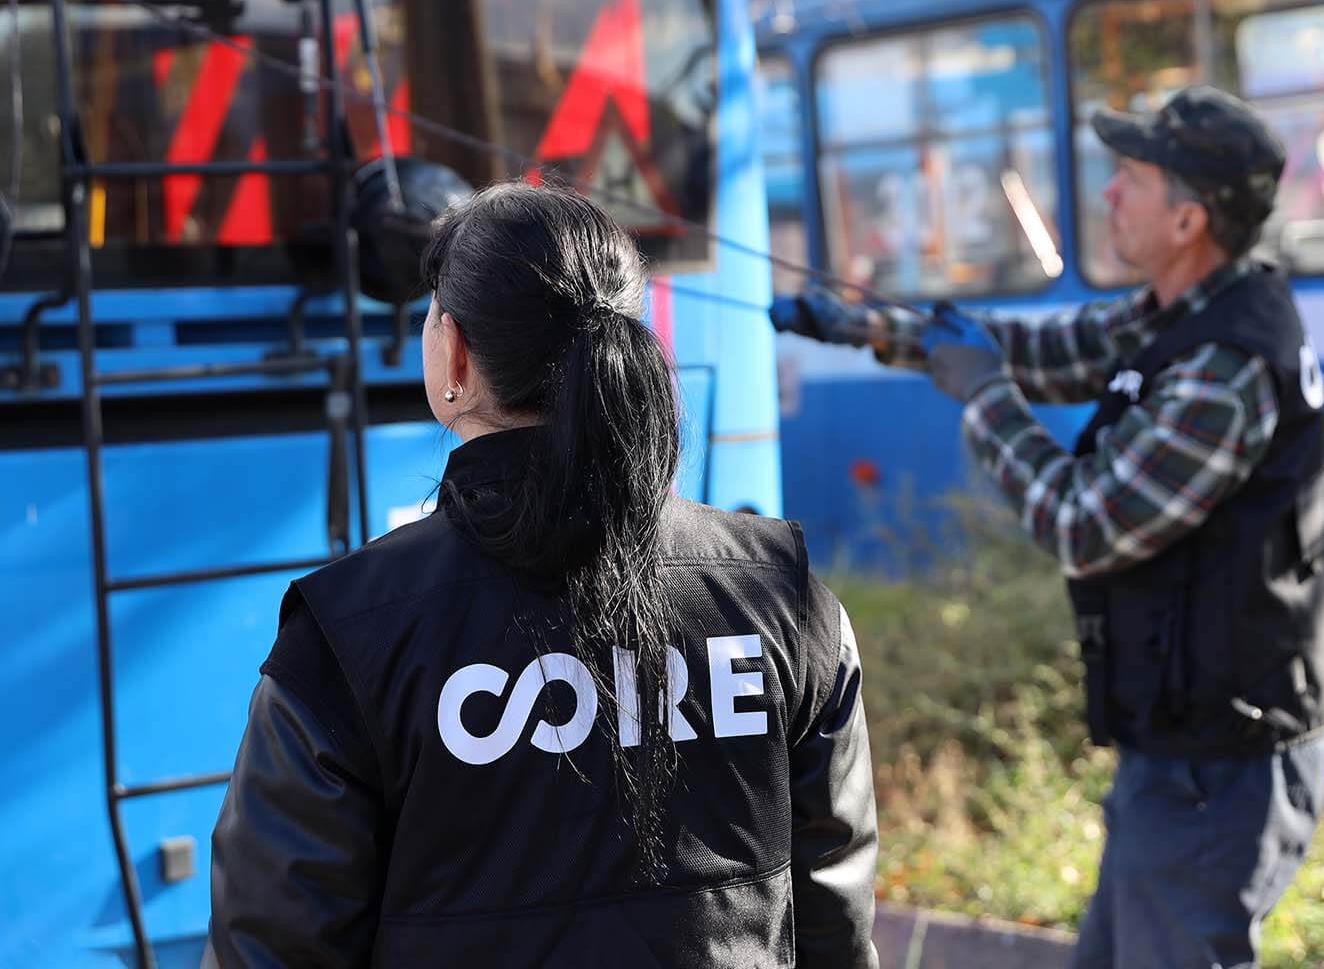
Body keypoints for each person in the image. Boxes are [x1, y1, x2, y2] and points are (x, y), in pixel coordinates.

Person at [205, 183, 879, 967]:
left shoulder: (346, 633)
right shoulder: (783, 598)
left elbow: (276, 944)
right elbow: (833, 919)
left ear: (453, 353)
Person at [774, 84, 1324, 968]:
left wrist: (984, 397)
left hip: (1220, 766)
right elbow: (1044, 351)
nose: (1108, 194)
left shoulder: (1223, 366)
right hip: (1186, 747)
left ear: (1187, 219)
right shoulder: (1186, 310)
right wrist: (859, 326)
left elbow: (1085, 520)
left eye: (1130, 176)